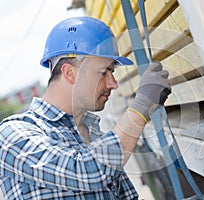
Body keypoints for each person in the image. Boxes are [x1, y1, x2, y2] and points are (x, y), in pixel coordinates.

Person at [0, 16, 171, 199]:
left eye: (112, 72)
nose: (113, 83)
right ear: (70, 73)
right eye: (103, 72)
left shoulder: (94, 134)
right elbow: (88, 170)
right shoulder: (13, 133)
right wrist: (141, 107)